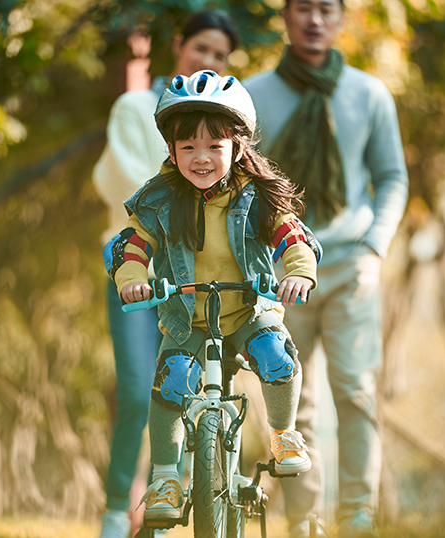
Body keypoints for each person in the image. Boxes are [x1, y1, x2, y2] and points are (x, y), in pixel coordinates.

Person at [105, 70, 320, 521]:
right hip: (188, 315)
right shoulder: (158, 198)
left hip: (248, 309)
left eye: (214, 147)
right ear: (171, 149)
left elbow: (293, 238)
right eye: (188, 148)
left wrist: (298, 273)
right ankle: (165, 477)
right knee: (172, 379)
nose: (201, 158)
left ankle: (283, 434)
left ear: (237, 147)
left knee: (276, 351)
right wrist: (131, 277)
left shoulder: (256, 196)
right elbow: (132, 242)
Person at [243, 1, 409, 537]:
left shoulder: (369, 94)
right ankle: (304, 518)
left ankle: (358, 513)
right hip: (278, 271)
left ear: (342, 19)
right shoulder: (253, 95)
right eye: (303, 8)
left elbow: (392, 178)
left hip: (348, 267)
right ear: (286, 17)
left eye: (326, 8)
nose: (315, 19)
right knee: (292, 398)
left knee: (356, 391)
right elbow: (240, 183)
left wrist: (374, 249)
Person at [92, 11, 241, 538]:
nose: (208, 60)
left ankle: (180, 501)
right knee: (138, 390)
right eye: (201, 47)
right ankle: (117, 510)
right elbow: (133, 190)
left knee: (194, 390)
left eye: (220, 56)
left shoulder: (224, 119)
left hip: (200, 276)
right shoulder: (135, 108)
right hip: (141, 273)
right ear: (179, 45)